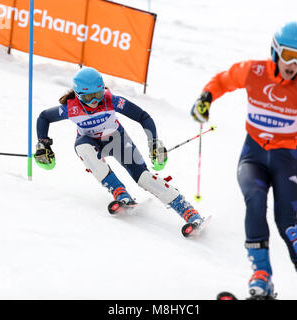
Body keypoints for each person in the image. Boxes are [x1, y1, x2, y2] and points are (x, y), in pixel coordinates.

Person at [191, 22, 297, 300]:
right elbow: (222, 81)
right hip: (253, 156)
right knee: (254, 202)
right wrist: (206, 97)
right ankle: (261, 276)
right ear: (275, 51)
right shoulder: (253, 71)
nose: (293, 64)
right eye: (288, 55)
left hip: (286, 160)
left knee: (286, 221)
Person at [34, 67, 205, 237]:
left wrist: (154, 142)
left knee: (144, 178)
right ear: (78, 95)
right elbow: (44, 117)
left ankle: (189, 212)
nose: (94, 102)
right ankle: (120, 193)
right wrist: (43, 143)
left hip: (117, 140)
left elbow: (143, 116)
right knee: (82, 148)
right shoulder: (70, 108)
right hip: (90, 142)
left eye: (98, 95)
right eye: (88, 97)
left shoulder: (112, 101)